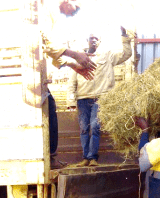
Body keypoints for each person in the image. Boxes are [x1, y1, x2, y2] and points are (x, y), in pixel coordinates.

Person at [40, 0, 98, 169]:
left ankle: (51, 157)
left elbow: (51, 51)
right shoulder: (46, 10)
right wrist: (74, 55)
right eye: (75, 8)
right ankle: (50, 158)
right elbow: (45, 43)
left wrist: (73, 65)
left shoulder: (52, 15)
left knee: (50, 106)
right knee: (50, 106)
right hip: (33, 75)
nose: (74, 13)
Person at [67, 28, 132, 166]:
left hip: (101, 98)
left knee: (95, 126)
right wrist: (71, 100)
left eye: (96, 38)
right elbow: (72, 81)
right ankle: (85, 158)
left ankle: (93, 158)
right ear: (87, 40)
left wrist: (124, 37)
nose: (94, 40)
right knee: (84, 128)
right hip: (82, 98)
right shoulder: (79, 57)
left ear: (100, 41)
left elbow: (127, 54)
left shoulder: (107, 55)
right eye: (92, 38)